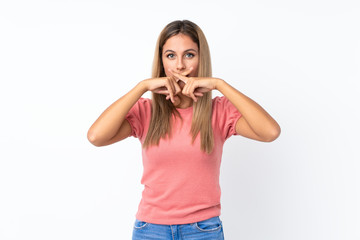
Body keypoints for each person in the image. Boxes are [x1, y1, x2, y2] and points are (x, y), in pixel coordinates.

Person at [87, 19, 280, 240]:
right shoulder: (146, 112)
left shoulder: (218, 111)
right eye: (171, 56)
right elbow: (96, 137)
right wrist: (142, 86)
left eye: (189, 55)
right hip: (150, 230)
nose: (180, 65)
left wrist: (219, 84)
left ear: (201, 59)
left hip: (203, 230)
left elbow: (270, 132)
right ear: (161, 62)